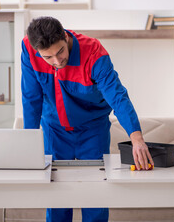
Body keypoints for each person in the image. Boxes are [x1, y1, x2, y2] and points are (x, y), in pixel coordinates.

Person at [21, 16, 154, 222]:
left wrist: (136, 138)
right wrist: (29, 144)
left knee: (96, 196)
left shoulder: (94, 53)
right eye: (48, 57)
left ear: (65, 36)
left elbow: (118, 97)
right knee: (56, 198)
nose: (57, 62)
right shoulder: (28, 50)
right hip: (54, 129)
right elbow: (31, 98)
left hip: (93, 129)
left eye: (60, 52)